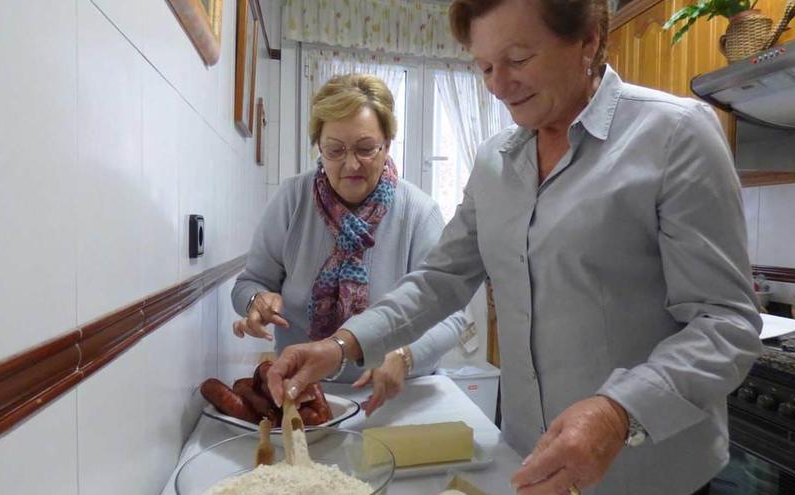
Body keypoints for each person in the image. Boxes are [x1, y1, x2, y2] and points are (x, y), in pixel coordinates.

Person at [265, 1, 763, 494]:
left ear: (587, 40)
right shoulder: (495, 163)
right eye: (483, 66)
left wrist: (618, 412)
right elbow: (440, 281)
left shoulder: (675, 135)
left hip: (648, 470)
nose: (497, 85)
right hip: (528, 460)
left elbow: (726, 324)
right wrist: (340, 346)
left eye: (519, 59)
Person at [230, 73, 467, 416]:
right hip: (306, 395)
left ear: (387, 143)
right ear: (319, 147)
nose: (351, 164)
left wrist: (405, 355)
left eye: (366, 148)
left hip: (397, 396)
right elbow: (247, 285)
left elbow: (451, 315)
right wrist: (257, 301)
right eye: (335, 150)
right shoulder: (292, 200)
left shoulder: (418, 212)